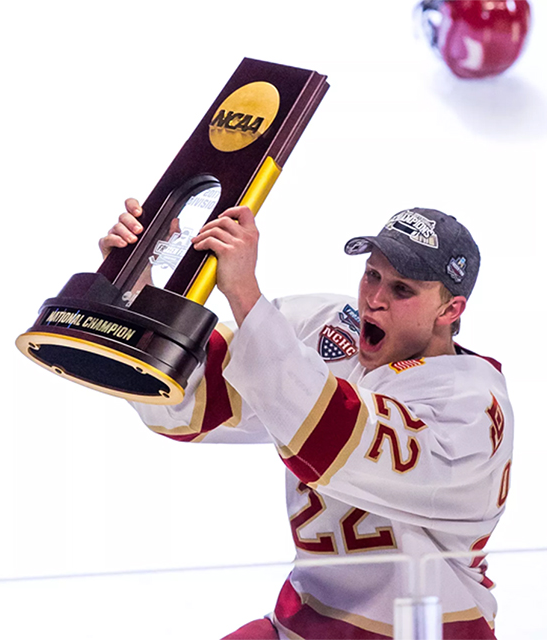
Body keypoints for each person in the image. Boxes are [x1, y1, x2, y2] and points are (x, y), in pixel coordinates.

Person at [100, 199, 514, 640]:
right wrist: (136, 295)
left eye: (402, 290)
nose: (374, 300)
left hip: (422, 631)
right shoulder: (326, 326)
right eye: (372, 275)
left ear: (450, 311)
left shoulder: (471, 409)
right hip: (302, 623)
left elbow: (331, 441)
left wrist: (245, 294)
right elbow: (185, 401)